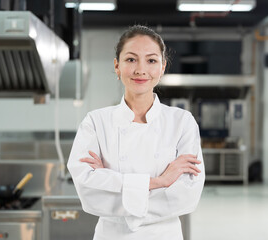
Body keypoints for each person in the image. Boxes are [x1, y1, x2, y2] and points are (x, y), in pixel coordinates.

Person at [67, 25, 205, 240]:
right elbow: (89, 193)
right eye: (131, 59)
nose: (141, 69)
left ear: (162, 67)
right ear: (117, 66)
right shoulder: (96, 122)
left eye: (151, 60)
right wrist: (160, 182)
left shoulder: (182, 122)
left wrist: (112, 182)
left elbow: (187, 194)